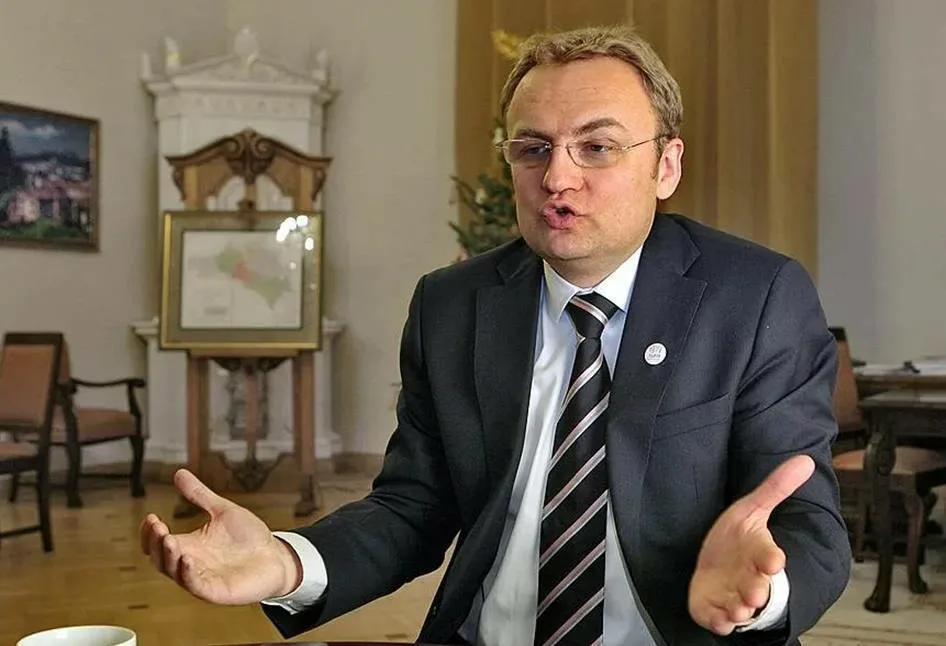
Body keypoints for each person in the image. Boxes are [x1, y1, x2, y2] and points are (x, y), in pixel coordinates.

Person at [140, 24, 851, 646]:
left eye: (597, 147)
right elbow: (412, 507)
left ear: (665, 166)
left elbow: (806, 521)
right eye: (533, 148)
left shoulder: (755, 298)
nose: (558, 177)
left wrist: (763, 590)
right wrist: (288, 562)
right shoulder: (452, 305)